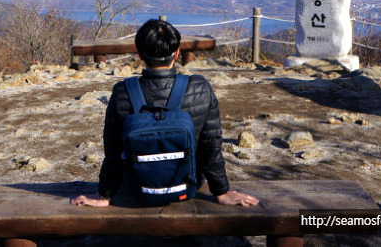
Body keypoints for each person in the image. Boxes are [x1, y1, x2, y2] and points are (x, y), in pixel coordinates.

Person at [72, 19, 258, 207]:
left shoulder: (123, 92)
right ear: (176, 53)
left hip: (138, 187)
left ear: (139, 55)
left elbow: (113, 153)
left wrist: (104, 195)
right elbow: (210, 149)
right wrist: (222, 192)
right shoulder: (200, 88)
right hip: (187, 186)